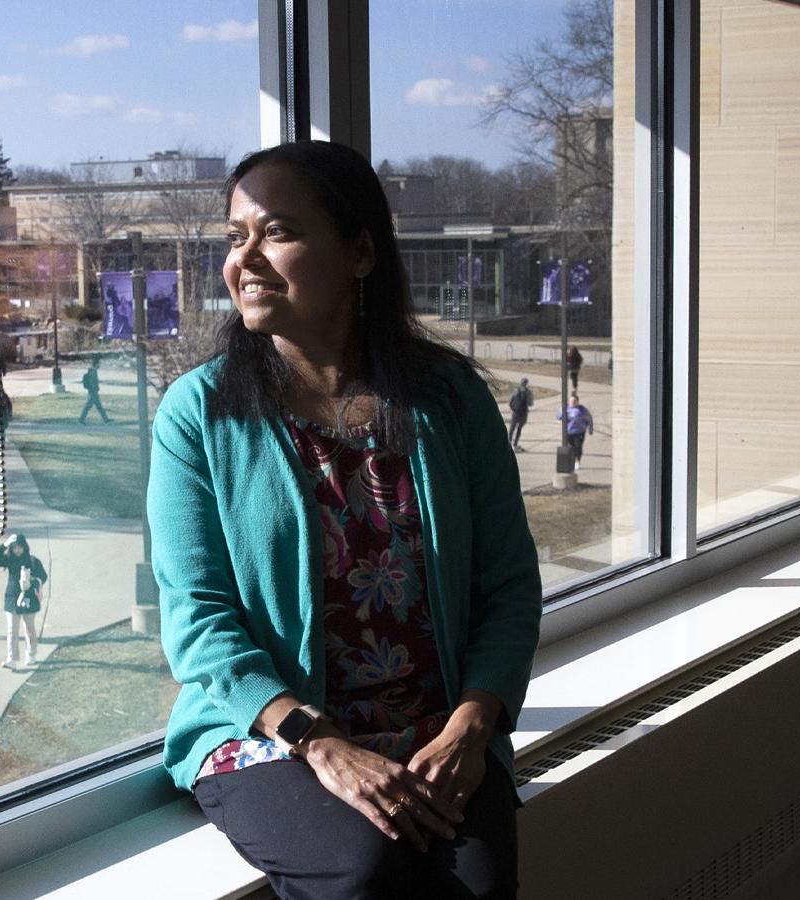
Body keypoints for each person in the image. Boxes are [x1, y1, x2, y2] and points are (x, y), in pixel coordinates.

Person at [152, 141, 539, 898]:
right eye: (236, 238)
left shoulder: (449, 399)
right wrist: (317, 740)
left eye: (277, 232)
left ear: (360, 252)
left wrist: (473, 726)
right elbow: (198, 619)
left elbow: (508, 585)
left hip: (439, 726)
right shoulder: (199, 413)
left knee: (480, 881)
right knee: (364, 868)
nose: (247, 259)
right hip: (269, 730)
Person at [0, 534, 48, 669]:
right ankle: (12, 659)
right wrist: (4, 544)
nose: (17, 550)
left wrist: (33, 582)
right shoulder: (9, 559)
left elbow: (43, 576)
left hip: (29, 599)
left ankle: (31, 654)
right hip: (12, 599)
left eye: (19, 547)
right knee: (12, 630)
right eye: (14, 547)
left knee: (29, 629)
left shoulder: (33, 561)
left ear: (24, 547)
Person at [559, 393, 593, 471]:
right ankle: (571, 461)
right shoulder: (566, 408)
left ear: (577, 402)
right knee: (569, 447)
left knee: (578, 447)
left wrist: (590, 429)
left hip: (579, 432)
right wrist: (562, 411)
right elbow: (559, 416)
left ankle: (577, 461)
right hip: (568, 432)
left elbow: (589, 419)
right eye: (571, 401)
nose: (572, 403)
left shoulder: (582, 410)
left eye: (574, 401)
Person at [78, 357, 110, 424]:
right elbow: (93, 382)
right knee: (88, 406)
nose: (99, 365)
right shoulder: (93, 371)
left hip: (93, 392)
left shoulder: (92, 370)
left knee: (99, 406)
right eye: (99, 364)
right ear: (96, 364)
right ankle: (81, 420)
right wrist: (96, 388)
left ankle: (106, 420)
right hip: (93, 392)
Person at [506, 377, 533, 452]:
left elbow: (510, 401)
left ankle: (508, 444)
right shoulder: (528, 392)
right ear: (526, 384)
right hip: (524, 413)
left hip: (515, 413)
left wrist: (513, 409)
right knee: (519, 429)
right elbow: (530, 404)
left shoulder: (515, 391)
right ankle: (515, 444)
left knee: (511, 429)